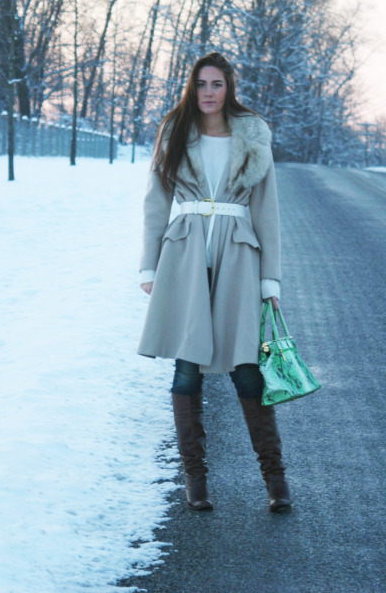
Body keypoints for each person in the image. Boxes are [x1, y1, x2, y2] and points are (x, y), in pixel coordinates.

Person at [138, 51, 291, 513]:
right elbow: (155, 202)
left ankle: (275, 480)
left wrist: (271, 279)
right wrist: (149, 265)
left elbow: (268, 211)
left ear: (229, 87)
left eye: (217, 84)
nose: (208, 92)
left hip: (239, 257)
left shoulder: (252, 134)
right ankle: (196, 479)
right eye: (202, 84)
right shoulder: (175, 130)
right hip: (184, 256)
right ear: (192, 86)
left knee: (246, 366)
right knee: (187, 368)